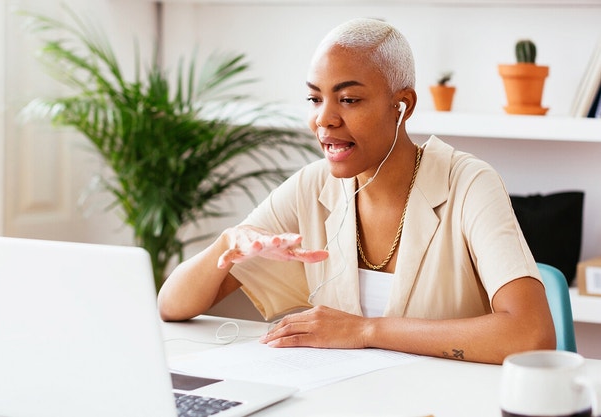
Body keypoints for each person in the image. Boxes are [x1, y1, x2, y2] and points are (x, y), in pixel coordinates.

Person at [157, 18, 556, 365]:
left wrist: (365, 331)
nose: (323, 119)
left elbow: (531, 334)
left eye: (348, 99)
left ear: (402, 105)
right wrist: (228, 243)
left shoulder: (469, 182)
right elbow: (171, 306)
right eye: (315, 99)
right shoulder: (311, 187)